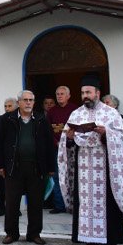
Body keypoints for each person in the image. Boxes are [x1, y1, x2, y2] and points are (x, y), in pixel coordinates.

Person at [57, 75, 123, 245]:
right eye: (83, 93)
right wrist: (69, 138)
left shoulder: (111, 113)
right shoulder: (76, 114)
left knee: (106, 204)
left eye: (88, 92)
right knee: (85, 204)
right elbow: (66, 142)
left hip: (105, 168)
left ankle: (108, 242)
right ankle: (88, 240)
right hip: (83, 170)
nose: (85, 96)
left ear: (97, 93)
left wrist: (106, 133)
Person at [0, 90, 55, 245]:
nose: (28, 103)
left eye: (31, 100)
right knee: (12, 203)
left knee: (36, 203)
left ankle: (34, 234)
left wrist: (50, 166)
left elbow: (49, 144)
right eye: (25, 100)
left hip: (36, 168)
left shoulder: (41, 119)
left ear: (34, 102)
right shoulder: (7, 119)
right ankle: (11, 233)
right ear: (19, 102)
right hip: (14, 167)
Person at [46, 86, 78, 214]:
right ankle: (59, 205)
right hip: (57, 149)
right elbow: (47, 131)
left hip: (73, 148)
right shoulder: (51, 111)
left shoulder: (75, 110)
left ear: (68, 96)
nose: (59, 96)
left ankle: (75, 205)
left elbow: (80, 128)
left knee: (74, 176)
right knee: (58, 176)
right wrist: (57, 143)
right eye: (57, 94)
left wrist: (71, 140)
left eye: (62, 94)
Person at [0, 97, 17, 216]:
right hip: (2, 156)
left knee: (16, 184)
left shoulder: (21, 119)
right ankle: (2, 206)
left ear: (16, 106)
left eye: (9, 106)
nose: (7, 109)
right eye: (5, 106)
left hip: (16, 156)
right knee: (1, 184)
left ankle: (15, 208)